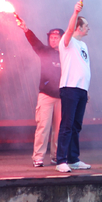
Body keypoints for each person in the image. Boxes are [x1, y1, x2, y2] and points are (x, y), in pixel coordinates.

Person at [17, 17, 63, 168]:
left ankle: (57, 156)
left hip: (62, 97)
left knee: (59, 129)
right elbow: (34, 42)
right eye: (51, 37)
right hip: (46, 95)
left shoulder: (67, 54)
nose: (53, 40)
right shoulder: (45, 51)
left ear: (62, 39)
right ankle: (38, 157)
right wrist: (25, 29)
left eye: (56, 38)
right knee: (43, 127)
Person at [56, 0, 92, 173]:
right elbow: (70, 28)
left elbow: (84, 66)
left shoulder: (83, 44)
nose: (88, 28)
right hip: (70, 88)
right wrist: (76, 12)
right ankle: (61, 160)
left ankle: (73, 159)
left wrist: (86, 89)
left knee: (77, 125)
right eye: (86, 26)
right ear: (79, 27)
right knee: (67, 125)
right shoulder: (67, 41)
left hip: (81, 90)